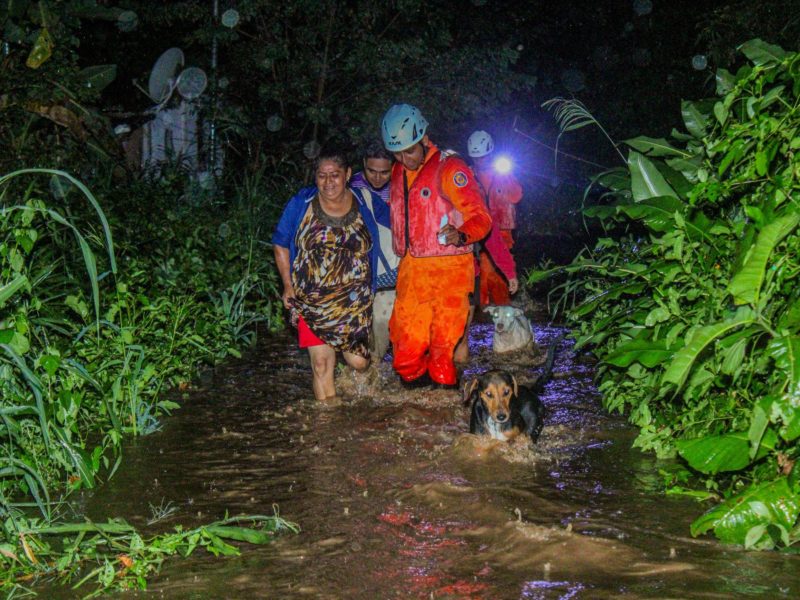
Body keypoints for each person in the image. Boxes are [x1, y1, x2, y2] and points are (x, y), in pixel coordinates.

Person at [381, 104, 492, 388]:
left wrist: (461, 234)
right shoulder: (397, 172)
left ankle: (444, 409)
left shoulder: (450, 167)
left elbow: (481, 218)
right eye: (397, 153)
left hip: (450, 269)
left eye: (409, 151)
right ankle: (413, 413)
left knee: (443, 352)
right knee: (405, 349)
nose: (404, 159)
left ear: (424, 139)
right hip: (413, 267)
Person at [272, 149, 390, 402]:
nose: (328, 182)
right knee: (322, 365)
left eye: (334, 175)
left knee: (359, 362)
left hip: (354, 300)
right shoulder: (300, 204)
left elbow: (400, 222)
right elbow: (280, 242)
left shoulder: (365, 200)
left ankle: (359, 381)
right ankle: (329, 428)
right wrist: (287, 286)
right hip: (310, 297)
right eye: (322, 176)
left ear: (347, 174)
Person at [349, 141, 399, 361]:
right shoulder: (350, 188)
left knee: (392, 331)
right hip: (361, 274)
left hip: (394, 272)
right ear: (363, 165)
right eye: (372, 171)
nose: (378, 178)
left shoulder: (402, 185)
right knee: (364, 338)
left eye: (384, 172)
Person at [467, 130, 523, 250]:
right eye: (475, 158)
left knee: (497, 266)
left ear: (490, 154)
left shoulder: (502, 173)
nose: (478, 161)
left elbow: (516, 196)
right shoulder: (468, 174)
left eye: (482, 157)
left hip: (501, 233)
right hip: (477, 230)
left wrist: (506, 176)